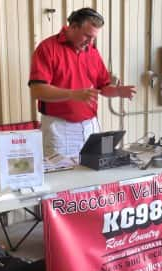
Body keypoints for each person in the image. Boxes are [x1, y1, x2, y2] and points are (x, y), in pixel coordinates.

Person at [28, 7, 136, 158]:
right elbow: (37, 91)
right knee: (62, 179)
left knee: (94, 175)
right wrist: (72, 94)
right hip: (59, 128)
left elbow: (103, 87)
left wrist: (117, 91)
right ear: (73, 27)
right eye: (87, 36)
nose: (91, 42)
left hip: (90, 127)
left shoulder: (92, 51)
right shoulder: (47, 48)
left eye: (94, 38)